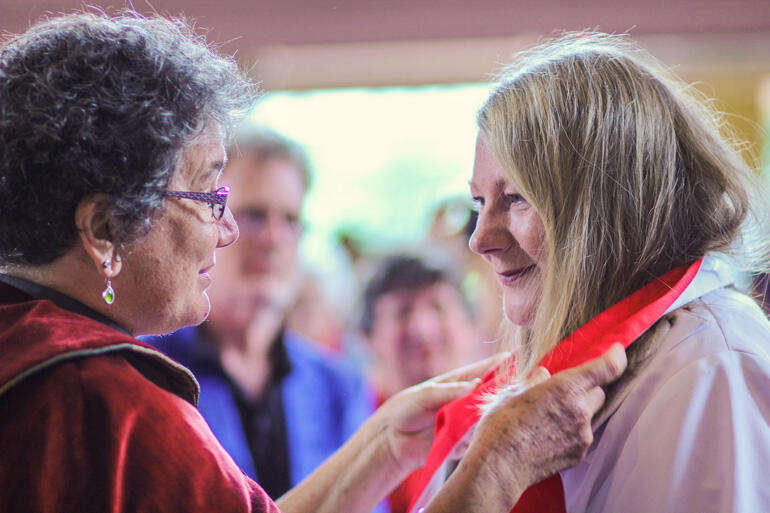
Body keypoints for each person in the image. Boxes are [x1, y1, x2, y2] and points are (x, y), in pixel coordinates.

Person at [0, 12, 629, 513]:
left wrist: (382, 444)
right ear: (106, 230)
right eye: (208, 196)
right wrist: (498, 466)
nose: (227, 231)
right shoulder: (105, 402)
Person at [409, 32, 770, 513]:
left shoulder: (708, 367)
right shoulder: (584, 359)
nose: (479, 239)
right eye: (479, 202)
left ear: (608, 212)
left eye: (515, 198)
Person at [146, 127, 379, 502]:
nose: (273, 239)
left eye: (290, 220)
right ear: (209, 221)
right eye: (254, 216)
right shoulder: (149, 369)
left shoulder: (339, 386)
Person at [359, 249, 489, 513]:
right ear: (367, 337)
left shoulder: (499, 417)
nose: (422, 328)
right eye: (403, 312)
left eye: (438, 307)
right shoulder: (349, 423)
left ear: (473, 326)